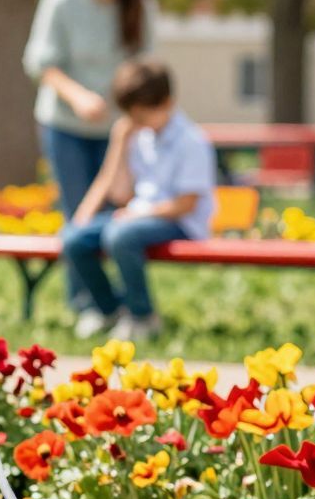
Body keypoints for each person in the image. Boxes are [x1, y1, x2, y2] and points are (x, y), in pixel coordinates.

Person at [24, 0, 152, 307]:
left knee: (116, 215)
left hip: (118, 131)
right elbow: (41, 63)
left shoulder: (139, 9)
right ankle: (84, 303)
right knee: (78, 212)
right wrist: (79, 97)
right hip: (66, 126)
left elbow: (143, 69)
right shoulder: (62, 0)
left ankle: (115, 300)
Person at [60, 57, 216, 343]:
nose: (137, 123)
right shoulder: (140, 137)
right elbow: (120, 194)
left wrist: (138, 215)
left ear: (166, 103)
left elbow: (186, 204)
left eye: (142, 116)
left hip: (180, 222)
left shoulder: (191, 141)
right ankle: (109, 309)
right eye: (132, 116)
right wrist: (119, 144)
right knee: (74, 239)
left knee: (120, 236)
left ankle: (143, 316)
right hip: (137, 217)